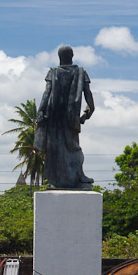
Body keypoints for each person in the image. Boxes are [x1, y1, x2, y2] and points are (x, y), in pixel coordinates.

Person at [34, 45, 95, 189]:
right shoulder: (80, 72)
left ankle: (66, 179)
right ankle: (75, 177)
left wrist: (40, 112)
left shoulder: (53, 72)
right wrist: (88, 112)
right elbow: (89, 95)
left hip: (54, 117)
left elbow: (46, 93)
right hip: (70, 117)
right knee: (72, 147)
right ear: (72, 56)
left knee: (55, 150)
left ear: (59, 57)